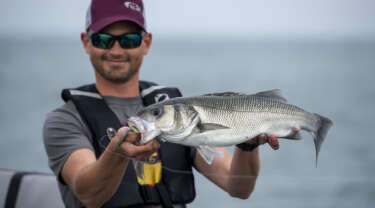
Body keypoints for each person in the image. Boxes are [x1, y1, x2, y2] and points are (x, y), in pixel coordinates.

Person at [43, 0, 280, 207]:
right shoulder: (65, 120)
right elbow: (89, 195)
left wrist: (246, 146)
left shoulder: (177, 110)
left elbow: (239, 188)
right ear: (86, 42)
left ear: (146, 42)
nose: (116, 49)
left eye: (129, 39)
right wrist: (117, 153)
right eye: (104, 39)